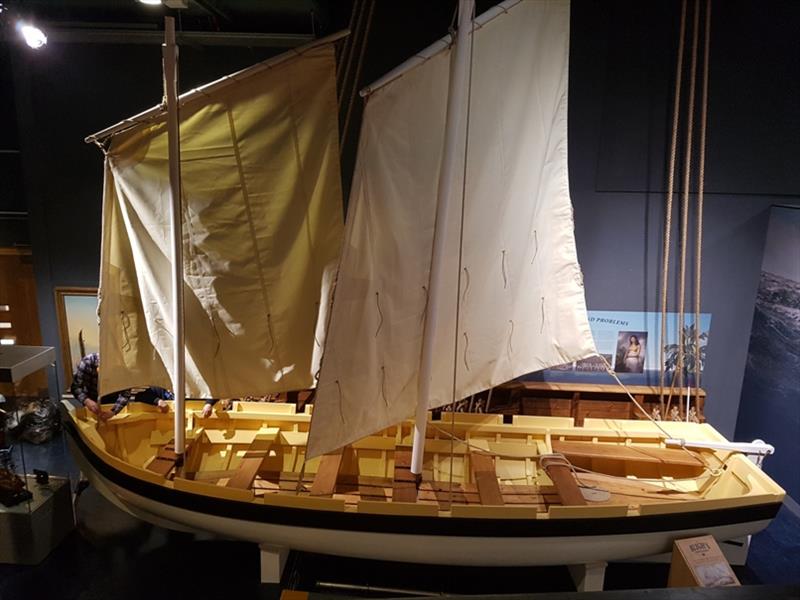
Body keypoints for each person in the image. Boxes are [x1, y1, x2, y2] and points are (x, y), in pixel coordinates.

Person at [71, 353, 173, 421]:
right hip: (91, 397)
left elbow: (125, 394)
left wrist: (113, 411)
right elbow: (76, 387)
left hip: (112, 399)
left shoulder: (123, 368)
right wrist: (87, 401)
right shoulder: (87, 363)